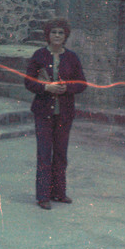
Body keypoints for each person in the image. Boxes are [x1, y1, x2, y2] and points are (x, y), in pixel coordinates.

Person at [24, 18, 87, 210]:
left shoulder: (72, 58)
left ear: (65, 35)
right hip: (43, 113)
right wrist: (46, 87)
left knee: (60, 154)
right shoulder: (39, 56)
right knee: (44, 153)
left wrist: (66, 88)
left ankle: (59, 193)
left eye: (61, 32)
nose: (57, 36)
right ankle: (43, 196)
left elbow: (82, 83)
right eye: (54, 32)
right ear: (48, 35)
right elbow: (28, 82)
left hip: (64, 114)